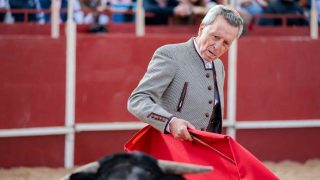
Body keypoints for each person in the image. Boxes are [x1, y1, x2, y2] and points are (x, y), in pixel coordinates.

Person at [127, 5, 243, 141]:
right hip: (171, 149)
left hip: (203, 152)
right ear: (202, 29)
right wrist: (171, 122)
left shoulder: (218, 66)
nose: (218, 47)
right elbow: (137, 100)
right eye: (215, 37)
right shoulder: (171, 55)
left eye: (226, 43)